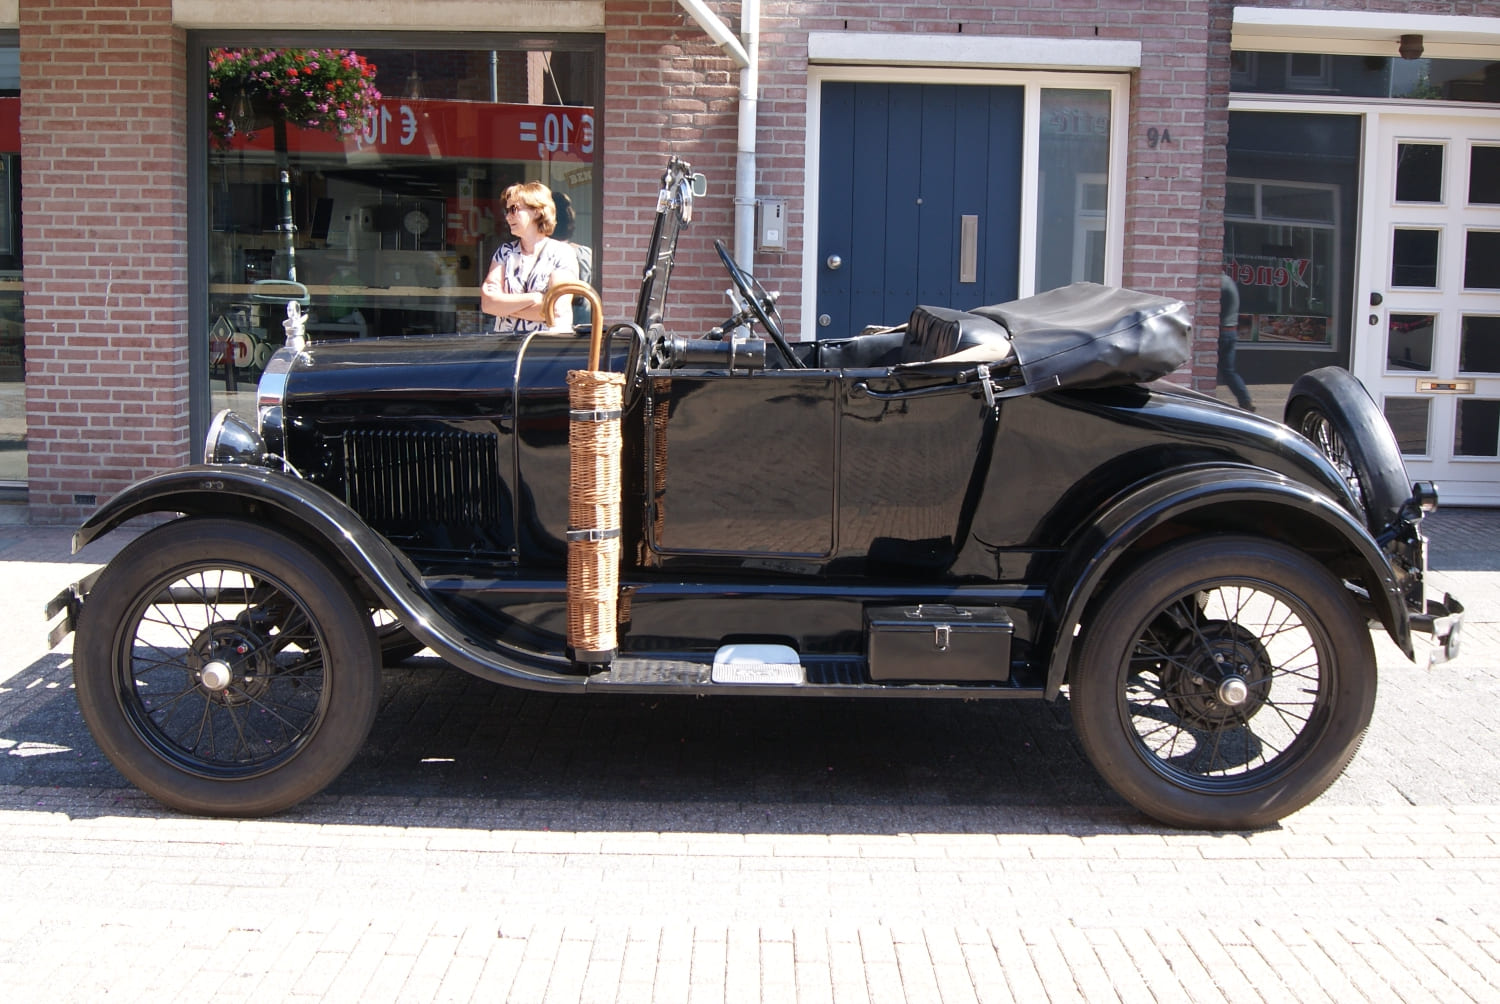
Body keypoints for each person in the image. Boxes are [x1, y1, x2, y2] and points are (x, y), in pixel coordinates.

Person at [481, 181, 578, 333]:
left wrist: (504, 308)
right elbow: (488, 304)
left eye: (514, 210)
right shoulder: (505, 253)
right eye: (506, 211)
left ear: (537, 211)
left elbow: (555, 308)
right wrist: (535, 298)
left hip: (544, 350)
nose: (507, 217)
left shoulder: (561, 253)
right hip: (506, 350)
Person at [1218, 272, 1255, 411]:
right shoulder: (1228, 281)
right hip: (1230, 331)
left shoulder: (1219, 283)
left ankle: (1244, 401)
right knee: (1229, 371)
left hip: (1221, 332)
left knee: (1212, 369)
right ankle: (1245, 401)